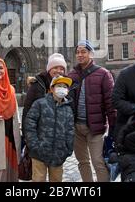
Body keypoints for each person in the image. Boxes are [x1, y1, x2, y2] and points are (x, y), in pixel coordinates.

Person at [68, 39, 116, 182]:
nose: (80, 55)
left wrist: (114, 128)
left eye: (83, 51)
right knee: (83, 162)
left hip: (95, 127)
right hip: (77, 127)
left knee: (98, 162)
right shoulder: (72, 75)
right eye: (78, 52)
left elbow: (110, 103)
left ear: (91, 54)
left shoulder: (103, 74)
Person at [24, 75, 75, 182]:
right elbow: (29, 124)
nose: (62, 89)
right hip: (39, 153)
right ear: (52, 88)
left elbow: (70, 131)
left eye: (65, 87)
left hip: (58, 154)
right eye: (59, 86)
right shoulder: (40, 104)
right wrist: (34, 145)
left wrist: (68, 149)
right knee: (38, 179)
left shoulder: (68, 109)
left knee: (56, 180)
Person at [22, 53, 67, 138]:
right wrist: (27, 136)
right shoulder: (38, 84)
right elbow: (27, 110)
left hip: (59, 135)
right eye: (55, 67)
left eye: (62, 69)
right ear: (49, 69)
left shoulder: (67, 85)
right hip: (39, 133)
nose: (58, 71)